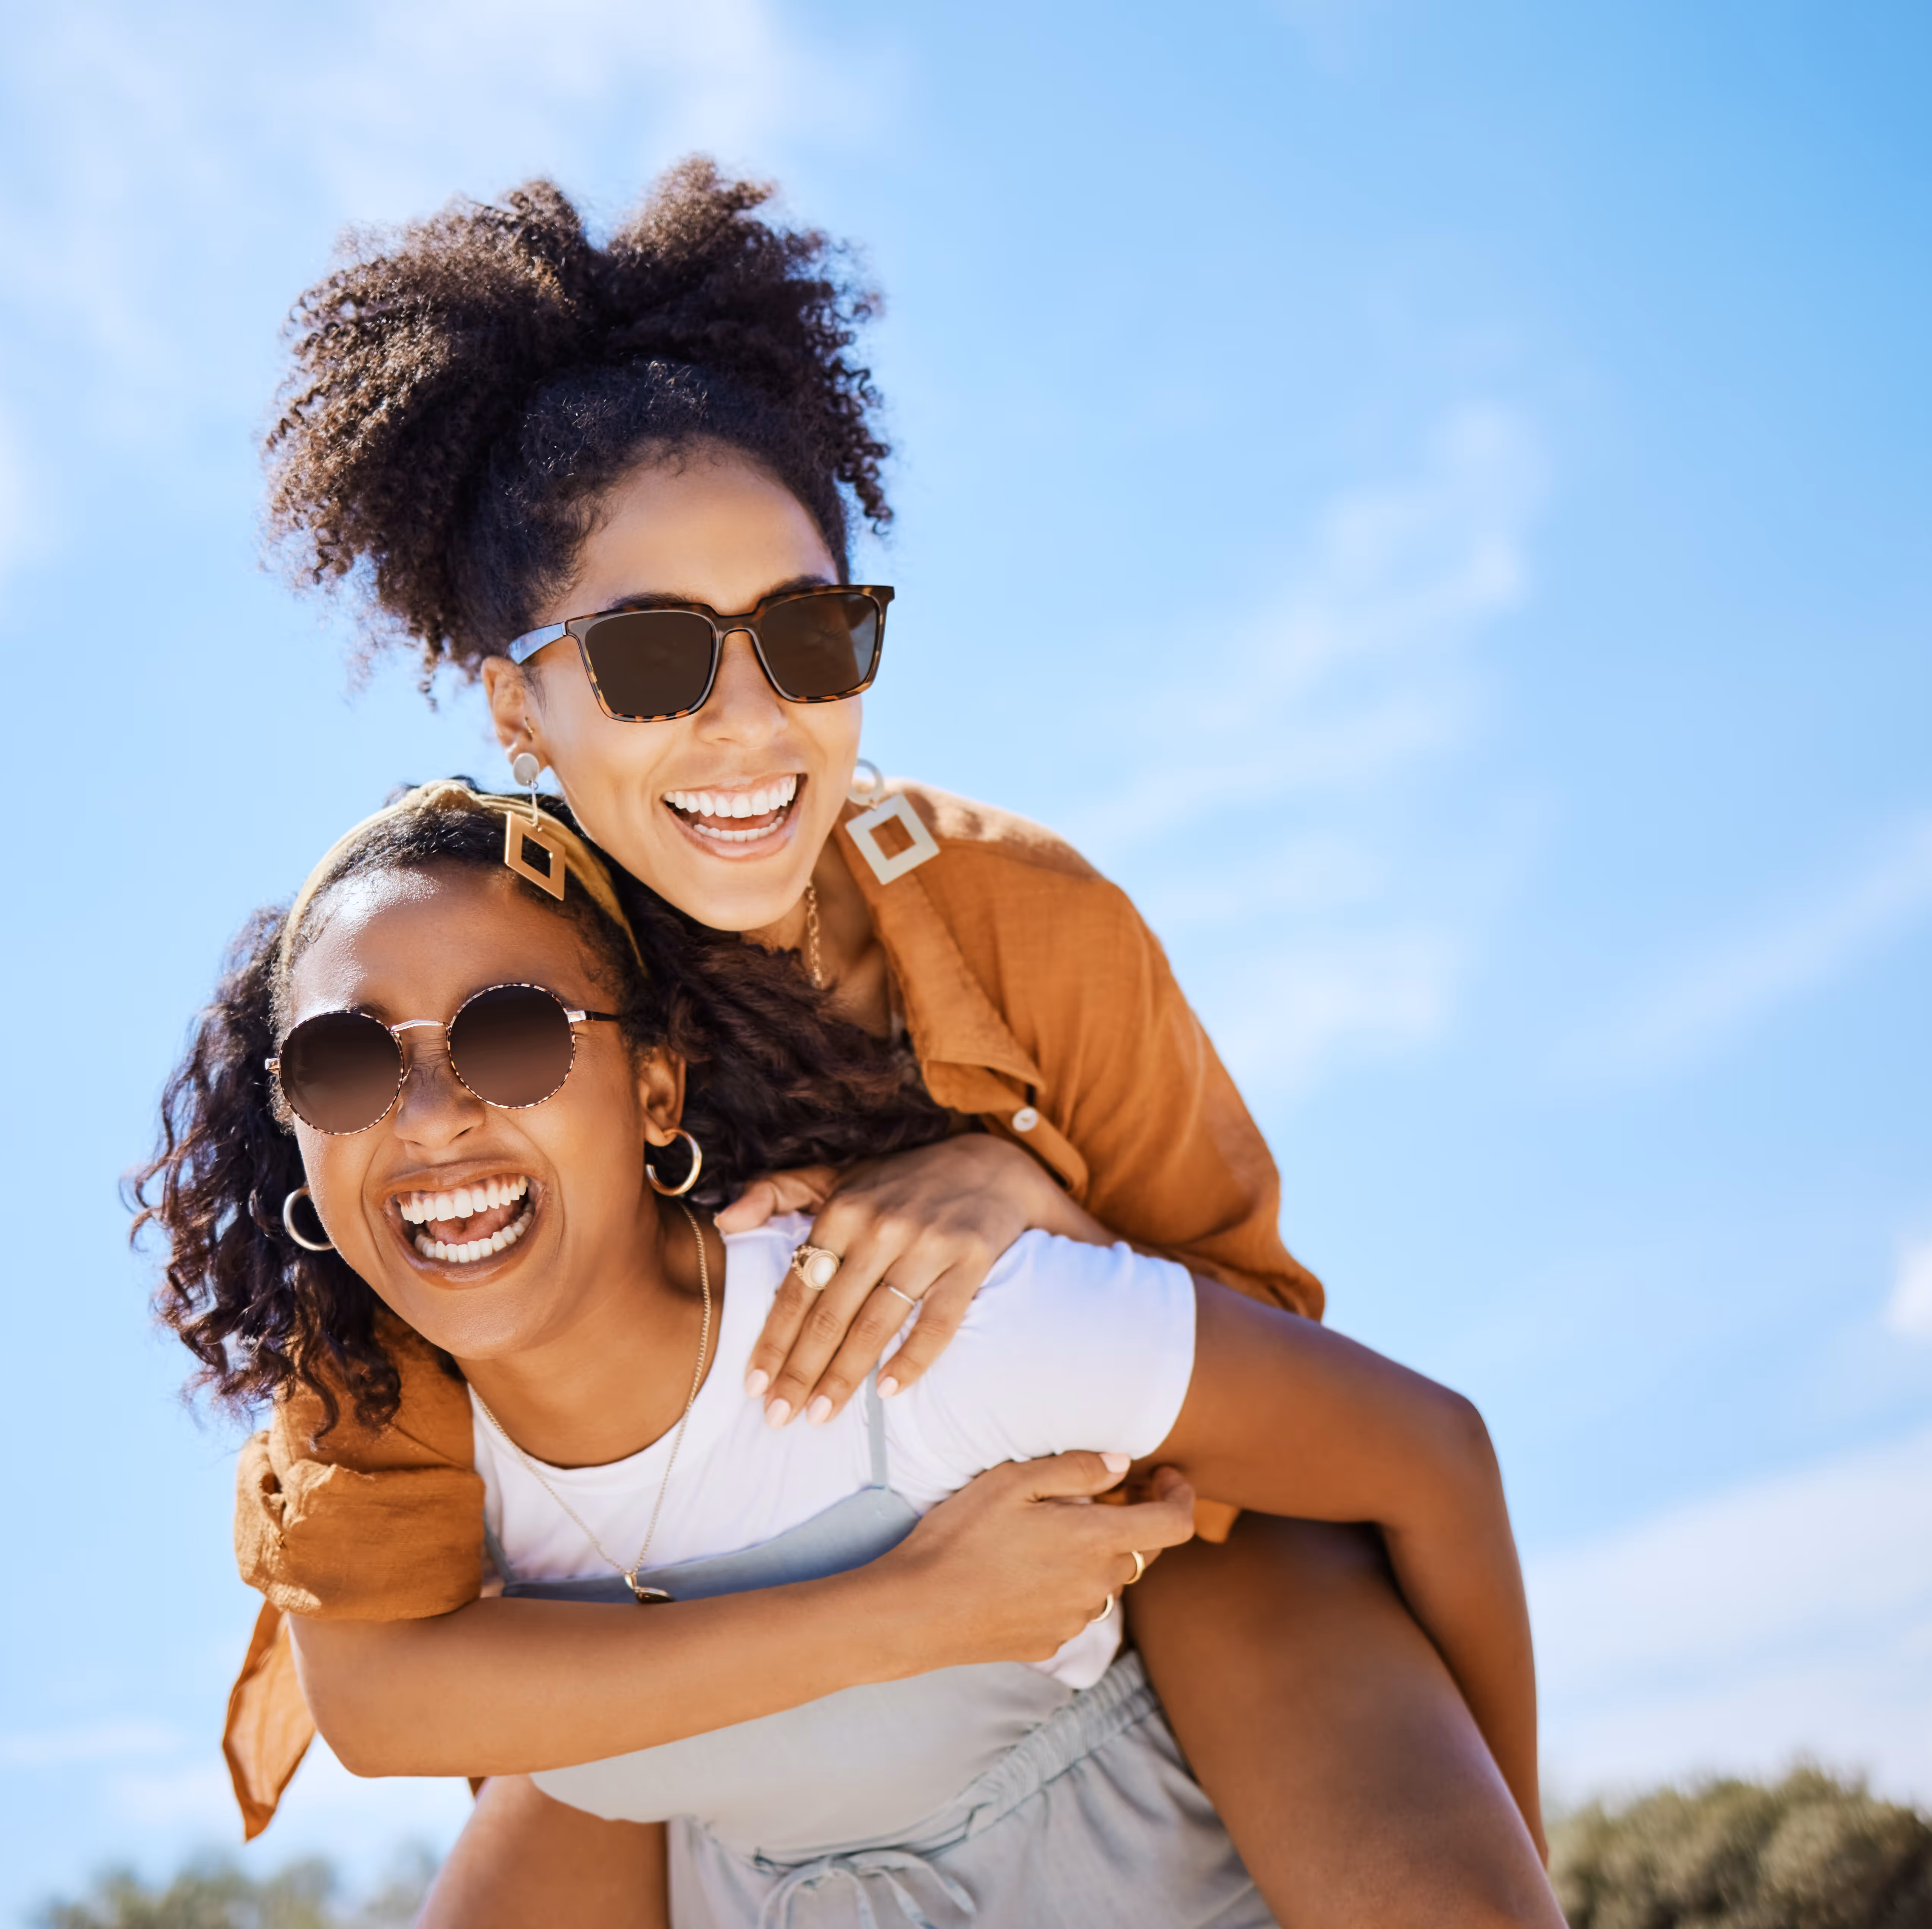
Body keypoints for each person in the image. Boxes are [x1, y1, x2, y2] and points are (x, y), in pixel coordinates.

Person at [218, 159, 1559, 1925]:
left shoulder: (1013, 917)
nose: (749, 723)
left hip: (1113, 1529)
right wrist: (891, 1618)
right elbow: (397, 1657)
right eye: (649, 660)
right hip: (687, 1631)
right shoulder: (455, 1038)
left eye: (808, 636)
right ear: (517, 705)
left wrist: (1031, 1198)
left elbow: (1273, 1367)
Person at [139, 782, 1547, 1928]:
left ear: (655, 1086)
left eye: (511, 1037)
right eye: (342, 1064)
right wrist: (914, 1609)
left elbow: (1428, 1453)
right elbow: (378, 1708)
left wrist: (1510, 1851)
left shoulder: (919, 1311)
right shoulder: (374, 1432)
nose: (431, 1113)